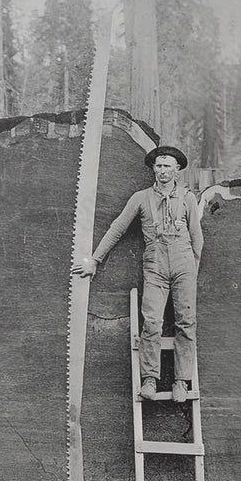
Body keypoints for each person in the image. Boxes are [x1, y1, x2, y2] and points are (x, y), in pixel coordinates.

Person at [75, 144, 203, 402]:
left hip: (184, 265)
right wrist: (95, 260)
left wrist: (191, 273)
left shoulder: (188, 199)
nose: (162, 170)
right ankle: (150, 380)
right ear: (153, 169)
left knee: (186, 324)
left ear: (177, 169)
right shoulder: (141, 198)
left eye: (167, 165)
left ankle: (181, 382)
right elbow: (117, 228)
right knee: (152, 322)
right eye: (158, 165)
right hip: (155, 266)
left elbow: (197, 240)